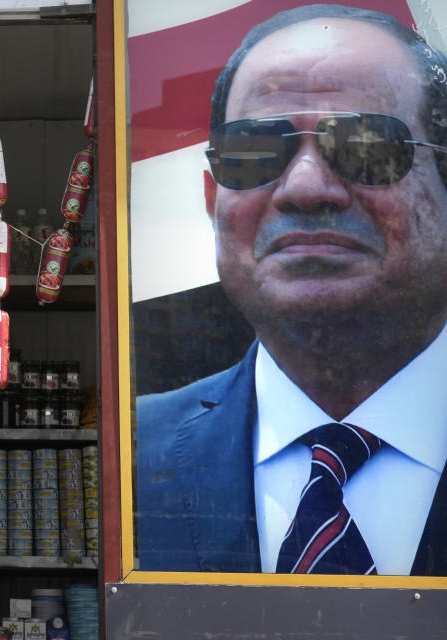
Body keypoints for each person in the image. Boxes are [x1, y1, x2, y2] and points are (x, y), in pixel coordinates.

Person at [136, 4, 447, 576]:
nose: (305, 188)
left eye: (366, 146)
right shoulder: (126, 457)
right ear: (213, 200)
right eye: (255, 152)